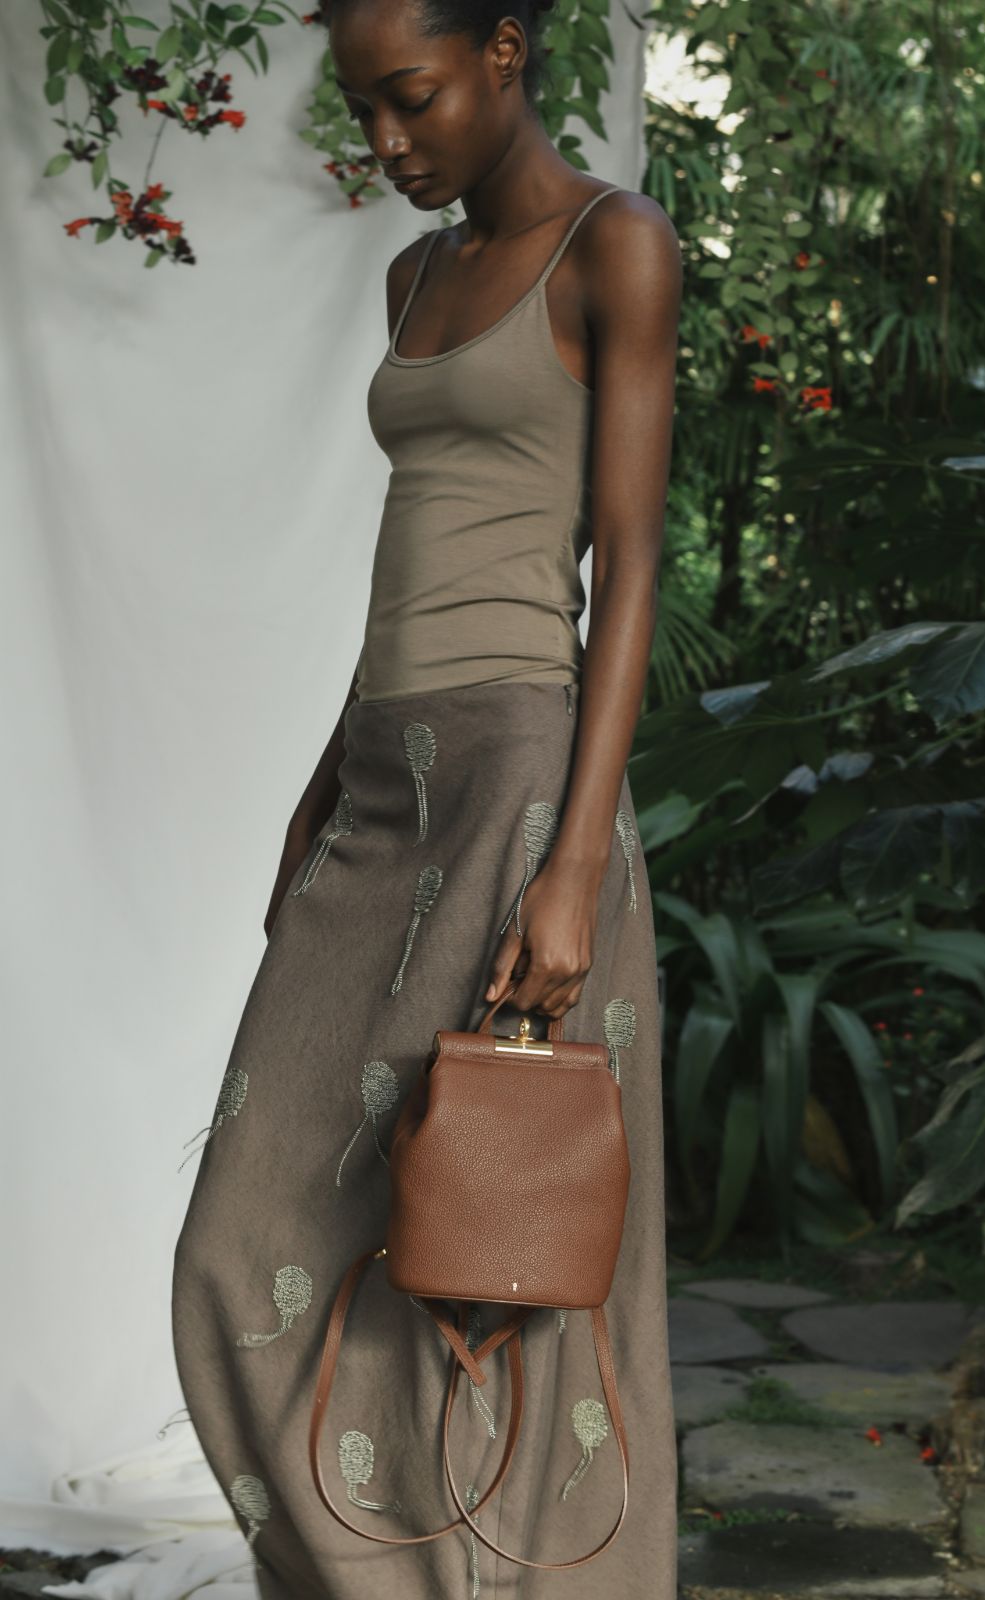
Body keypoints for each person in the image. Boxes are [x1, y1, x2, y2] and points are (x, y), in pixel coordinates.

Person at [170, 0, 682, 1594]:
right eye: (366, 110)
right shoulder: (415, 276)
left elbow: (630, 565)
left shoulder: (616, 248)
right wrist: (326, 779)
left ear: (505, 51)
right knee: (246, 1238)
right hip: (383, 782)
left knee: (497, 1248)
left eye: (411, 97)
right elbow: (415, 559)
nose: (387, 142)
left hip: (525, 786)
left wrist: (573, 865)